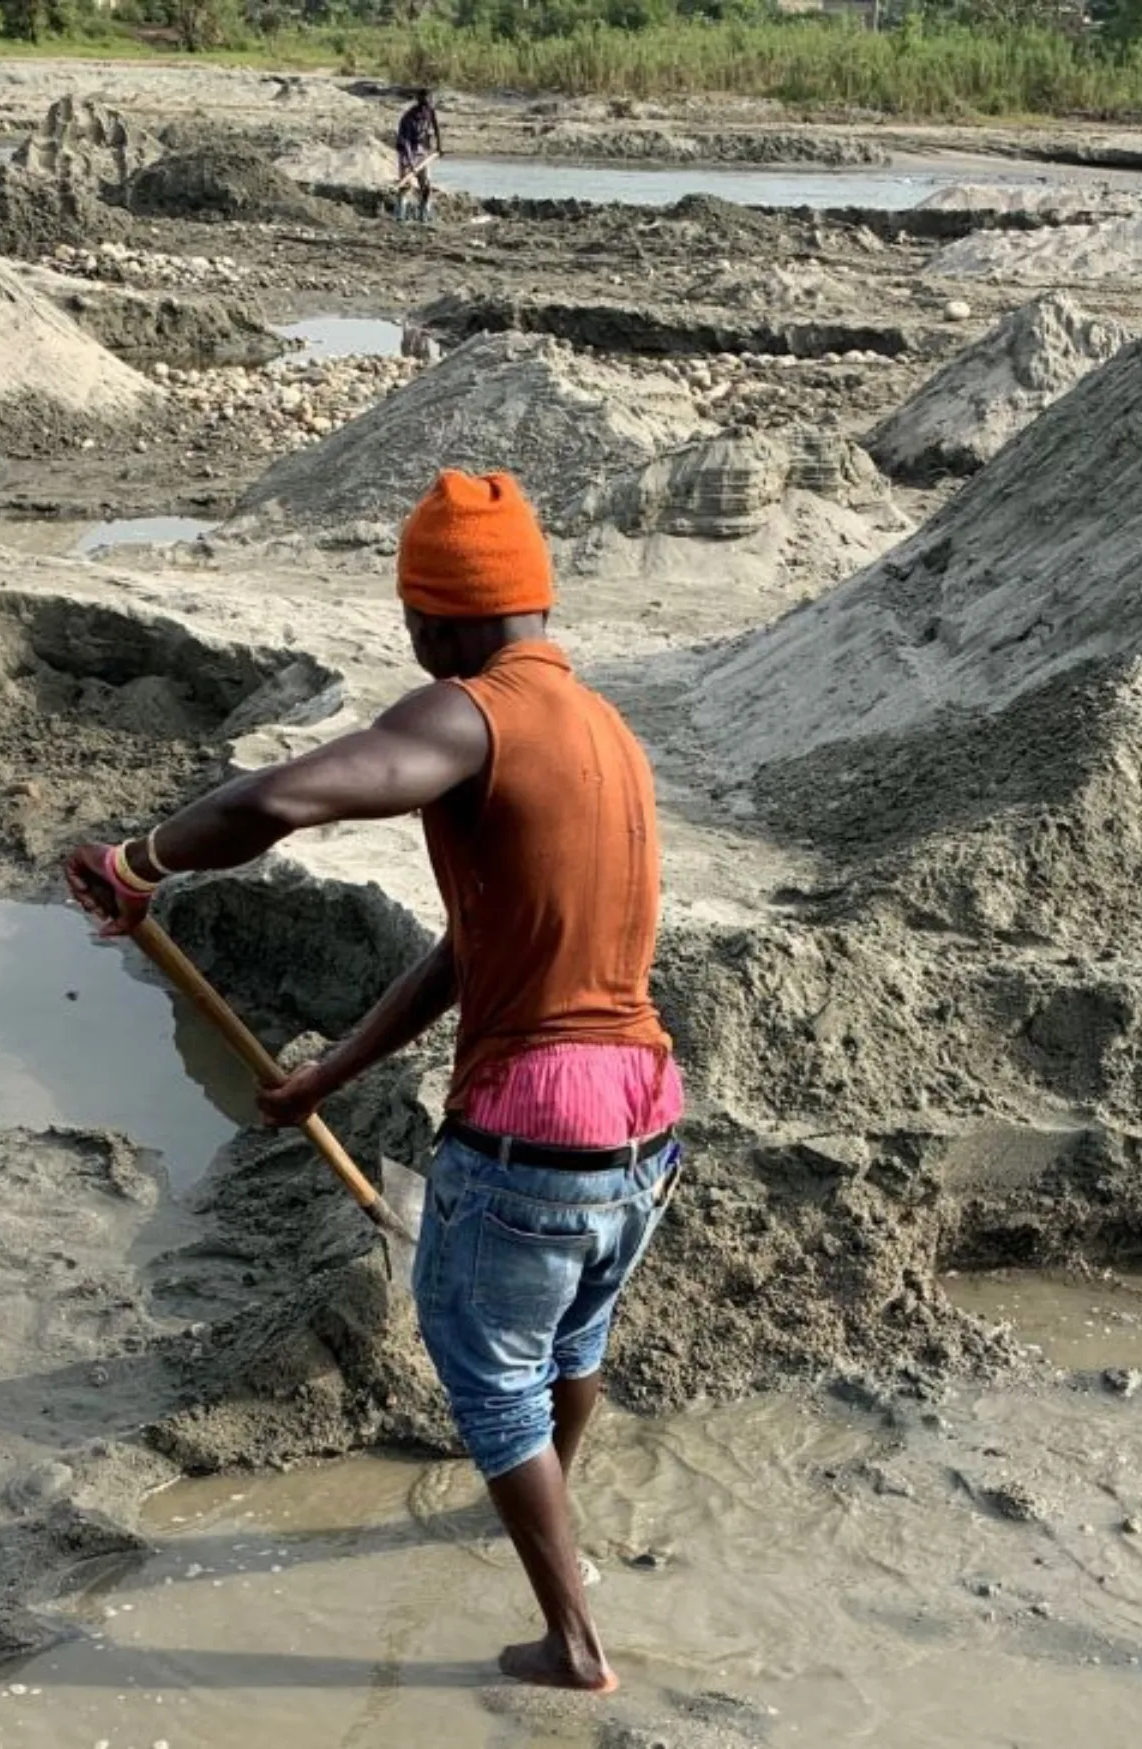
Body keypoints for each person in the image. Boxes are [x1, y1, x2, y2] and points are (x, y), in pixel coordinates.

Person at [66, 469, 681, 1695]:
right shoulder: (604, 731)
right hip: (644, 1118)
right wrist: (330, 1076)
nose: (413, 644)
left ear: (442, 621)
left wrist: (140, 862)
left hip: (532, 1127)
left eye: (414, 623)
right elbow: (475, 945)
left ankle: (572, 1641)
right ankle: (538, 1511)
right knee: (570, 1337)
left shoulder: (473, 715)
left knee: (486, 1369)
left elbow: (281, 798)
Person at [395, 88, 442, 221]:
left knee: (426, 185)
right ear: (419, 102)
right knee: (405, 186)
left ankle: (424, 215)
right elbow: (405, 143)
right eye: (424, 104)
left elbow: (436, 127)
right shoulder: (408, 118)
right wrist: (411, 164)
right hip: (407, 152)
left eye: (429, 103)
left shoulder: (430, 111)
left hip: (422, 151)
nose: (425, 110)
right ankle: (400, 215)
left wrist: (439, 146)